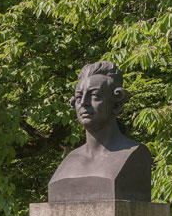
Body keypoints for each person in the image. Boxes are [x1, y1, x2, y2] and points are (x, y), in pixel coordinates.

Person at [48, 61, 152, 202]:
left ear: (116, 105)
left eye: (95, 96)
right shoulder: (70, 160)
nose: (83, 102)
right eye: (78, 97)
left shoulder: (136, 155)